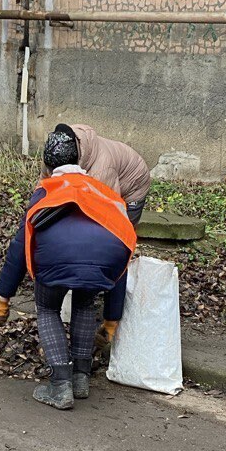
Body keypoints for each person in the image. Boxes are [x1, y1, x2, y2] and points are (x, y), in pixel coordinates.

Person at [0, 132, 137, 409]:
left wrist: (2, 300)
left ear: (46, 165)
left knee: (47, 308)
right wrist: (112, 319)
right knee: (85, 302)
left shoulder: (45, 192)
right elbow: (123, 253)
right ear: (80, 159)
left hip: (54, 258)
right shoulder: (104, 192)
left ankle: (60, 385)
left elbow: (19, 249)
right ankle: (80, 378)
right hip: (104, 259)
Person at [41, 124, 150, 355]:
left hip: (132, 186)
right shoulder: (57, 152)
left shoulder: (101, 169)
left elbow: (111, 215)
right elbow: (44, 194)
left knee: (116, 246)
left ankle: (112, 318)